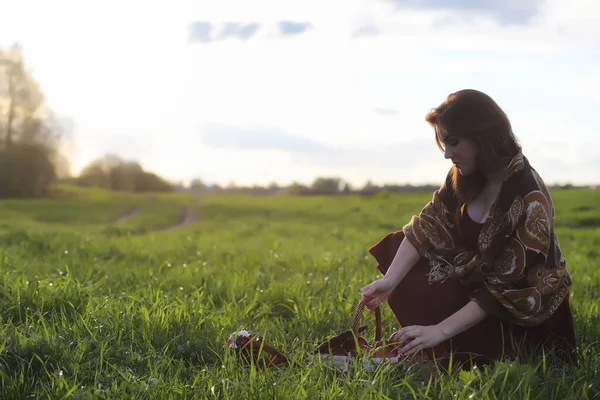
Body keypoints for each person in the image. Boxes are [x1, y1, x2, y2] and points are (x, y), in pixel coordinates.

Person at [361, 89, 578, 370]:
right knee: (399, 248)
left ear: (482, 137)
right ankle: (438, 346)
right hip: (478, 288)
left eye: (453, 142)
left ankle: (445, 348)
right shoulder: (464, 176)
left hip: (518, 316)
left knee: (464, 341)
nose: (447, 154)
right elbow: (426, 227)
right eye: (443, 143)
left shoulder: (527, 196)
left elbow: (503, 292)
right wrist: (389, 282)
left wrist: (440, 329)